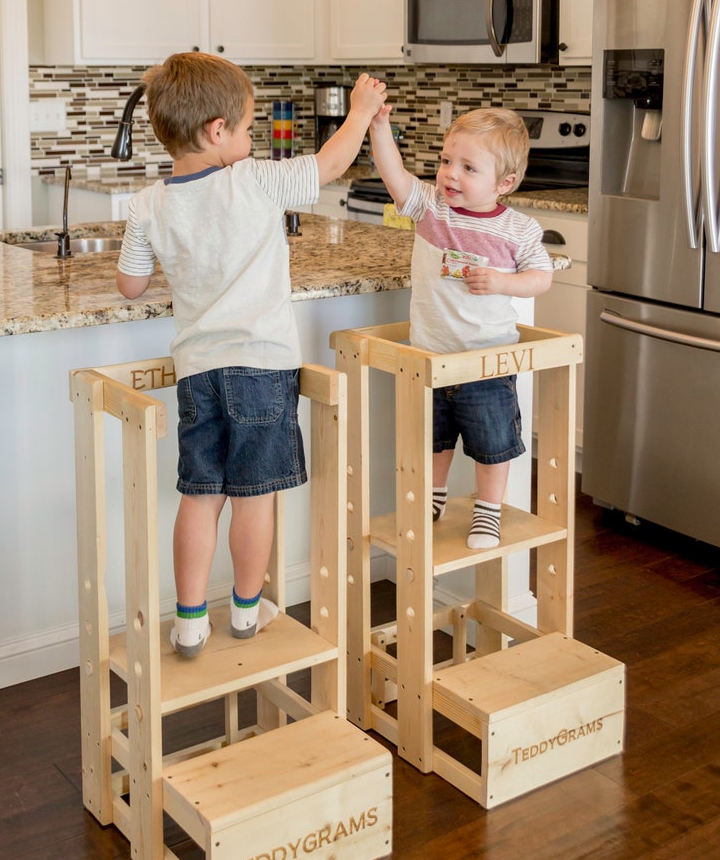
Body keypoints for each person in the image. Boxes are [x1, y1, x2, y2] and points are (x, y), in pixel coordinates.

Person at [116, 52, 386, 657]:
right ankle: (244, 612)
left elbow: (130, 285)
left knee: (200, 494)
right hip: (261, 368)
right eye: (245, 128)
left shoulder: (146, 204)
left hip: (196, 372)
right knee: (254, 496)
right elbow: (330, 165)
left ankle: (188, 621)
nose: (249, 140)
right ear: (217, 132)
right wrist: (361, 111)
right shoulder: (255, 180)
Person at [370, 105, 552, 550]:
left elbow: (542, 278)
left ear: (504, 183)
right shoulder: (432, 209)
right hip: (430, 356)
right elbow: (395, 175)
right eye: (447, 161)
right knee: (434, 440)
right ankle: (433, 497)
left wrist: (502, 282)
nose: (450, 174)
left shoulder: (519, 229)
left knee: (494, 444)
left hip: (486, 362)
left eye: (468, 167)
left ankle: (488, 511)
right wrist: (378, 127)